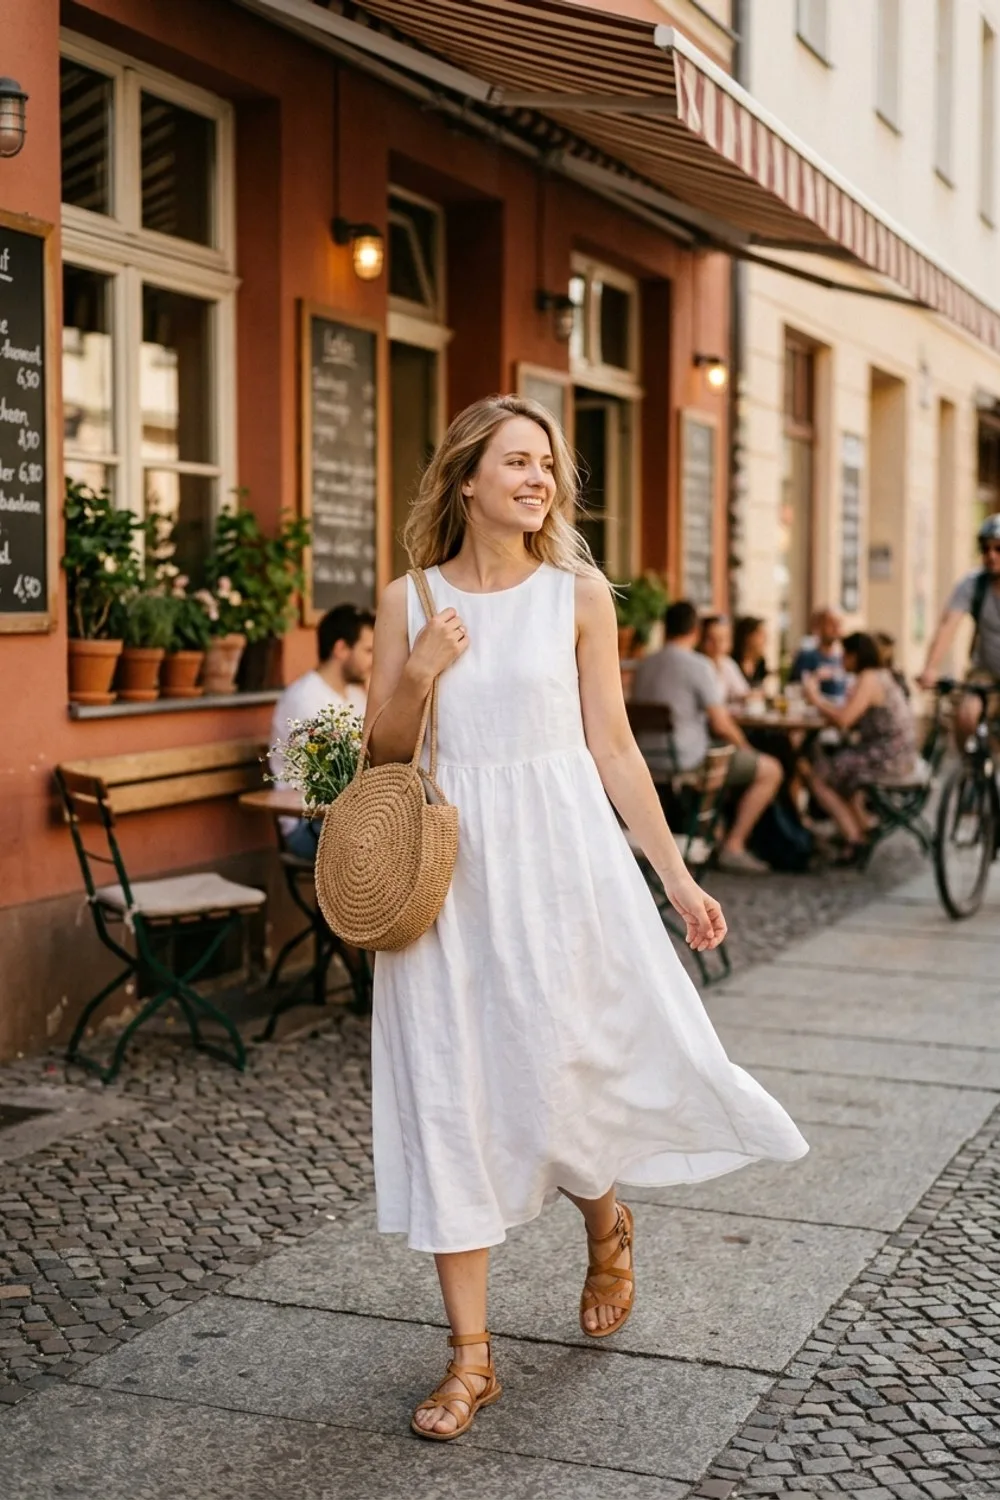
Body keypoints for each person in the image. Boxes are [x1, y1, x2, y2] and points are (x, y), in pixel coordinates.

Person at [364, 395, 807, 1441]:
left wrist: (678, 877)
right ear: (466, 478)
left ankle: (606, 1223)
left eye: (547, 467)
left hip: (560, 870)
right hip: (448, 883)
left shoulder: (577, 595)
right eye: (516, 462)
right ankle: (470, 1361)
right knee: (449, 1093)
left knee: (560, 1076)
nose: (538, 480)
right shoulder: (407, 597)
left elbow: (612, 749)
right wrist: (421, 671)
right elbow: (383, 755)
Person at [634, 600, 784, 874]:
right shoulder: (697, 665)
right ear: (695, 631)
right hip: (688, 762)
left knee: (720, 759)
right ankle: (733, 845)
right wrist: (747, 748)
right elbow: (722, 723)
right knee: (770, 770)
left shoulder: (645, 664)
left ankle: (709, 835)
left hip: (646, 758)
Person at [798, 631, 918, 862]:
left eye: (845, 655)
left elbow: (844, 719)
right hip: (895, 754)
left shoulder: (870, 678)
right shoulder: (880, 675)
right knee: (838, 767)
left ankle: (854, 838)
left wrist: (815, 699)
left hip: (889, 758)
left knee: (819, 776)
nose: (842, 660)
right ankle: (862, 827)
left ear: (855, 656)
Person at [269, 603, 374, 859]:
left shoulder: (354, 694)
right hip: (309, 826)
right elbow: (341, 775)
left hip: (350, 820)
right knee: (392, 849)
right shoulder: (306, 698)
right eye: (368, 651)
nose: (374, 661)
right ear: (340, 649)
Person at [918, 513, 1000, 737]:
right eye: (985, 549)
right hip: (986, 671)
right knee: (966, 716)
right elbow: (948, 626)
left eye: (998, 548)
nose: (991, 555)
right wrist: (930, 668)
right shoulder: (974, 585)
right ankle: (974, 769)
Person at [790, 606, 846, 700]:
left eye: (839, 623)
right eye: (831, 624)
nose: (836, 628)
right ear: (818, 626)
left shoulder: (845, 658)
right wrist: (815, 678)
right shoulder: (806, 657)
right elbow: (793, 689)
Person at [698, 614, 751, 704]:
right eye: (711, 639)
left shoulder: (727, 664)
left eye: (722, 639)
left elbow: (743, 693)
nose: (717, 644)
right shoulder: (696, 665)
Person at [733, 615, 769, 690]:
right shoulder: (732, 662)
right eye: (760, 634)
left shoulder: (760, 662)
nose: (765, 639)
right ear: (747, 637)